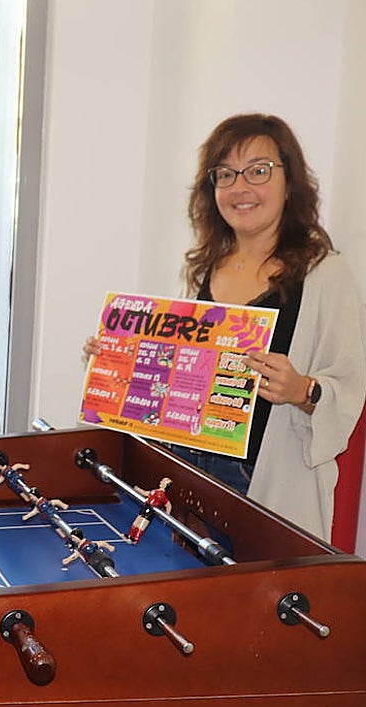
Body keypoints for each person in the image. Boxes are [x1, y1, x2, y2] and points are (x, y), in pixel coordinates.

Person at [83, 114, 364, 544]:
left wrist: (302, 389)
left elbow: (348, 387)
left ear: (290, 182)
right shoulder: (203, 267)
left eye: (259, 170)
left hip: (270, 484)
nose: (241, 187)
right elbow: (178, 377)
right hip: (192, 476)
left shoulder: (325, 272)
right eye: (226, 174)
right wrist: (120, 363)